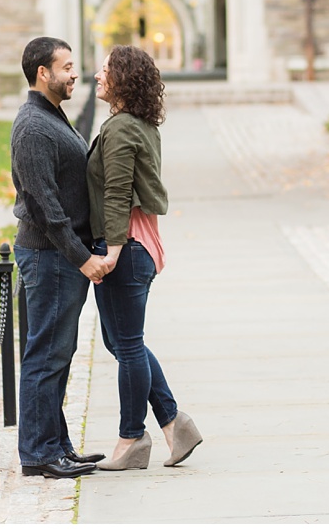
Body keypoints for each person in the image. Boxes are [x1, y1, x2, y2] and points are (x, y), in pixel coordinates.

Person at [87, 44, 202, 471]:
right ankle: (174, 424)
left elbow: (117, 192)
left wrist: (111, 251)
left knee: (127, 346)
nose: (97, 77)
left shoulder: (120, 129)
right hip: (141, 245)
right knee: (122, 342)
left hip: (127, 246)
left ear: (122, 79)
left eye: (104, 71)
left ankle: (132, 437)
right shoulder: (140, 125)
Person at [11, 36, 110, 479]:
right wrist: (81, 258)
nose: (75, 74)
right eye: (66, 67)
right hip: (51, 256)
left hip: (61, 258)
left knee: (59, 352)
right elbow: (46, 209)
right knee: (45, 354)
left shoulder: (50, 116)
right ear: (42, 74)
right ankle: (37, 453)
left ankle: (57, 445)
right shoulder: (33, 127)